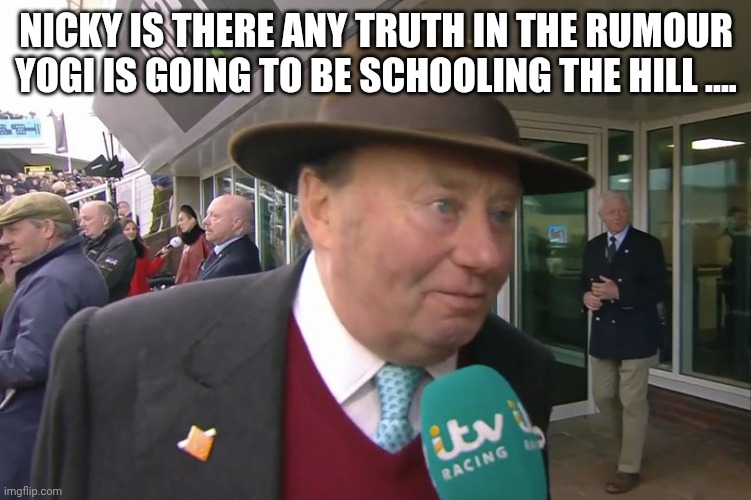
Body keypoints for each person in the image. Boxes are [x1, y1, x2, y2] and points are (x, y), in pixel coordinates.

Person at [31, 51, 594, 499]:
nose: (488, 255)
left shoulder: (519, 373)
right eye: (443, 205)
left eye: (502, 214)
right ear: (322, 208)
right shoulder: (120, 358)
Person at [0, 192, 108, 496]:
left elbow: (30, 362)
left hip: (31, 434)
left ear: (47, 228)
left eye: (13, 230)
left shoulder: (51, 281)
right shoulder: (71, 269)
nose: (5, 240)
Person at [581, 191, 667, 494]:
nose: (617, 215)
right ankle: (629, 444)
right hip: (604, 334)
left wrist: (620, 292)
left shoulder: (647, 245)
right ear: (601, 216)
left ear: (628, 212)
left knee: (632, 400)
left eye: (622, 210)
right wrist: (586, 297)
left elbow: (659, 288)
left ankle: (629, 467)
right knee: (603, 395)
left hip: (637, 333)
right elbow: (583, 282)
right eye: (611, 211)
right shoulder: (593, 247)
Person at [78, 200, 137, 303]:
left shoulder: (120, 245)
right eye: (80, 219)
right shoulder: (83, 241)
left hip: (107, 308)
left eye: (87, 219)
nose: (82, 224)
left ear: (105, 220)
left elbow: (99, 281)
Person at [199, 194, 262, 280]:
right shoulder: (230, 251)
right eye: (207, 215)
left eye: (215, 216)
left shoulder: (233, 265)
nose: (205, 221)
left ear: (236, 223)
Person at [122, 219, 169, 296]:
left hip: (142, 293)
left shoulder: (142, 249)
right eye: (127, 229)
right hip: (126, 296)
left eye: (134, 229)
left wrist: (160, 258)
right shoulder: (117, 251)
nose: (131, 232)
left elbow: (149, 272)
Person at [174, 204, 212, 284]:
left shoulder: (203, 238)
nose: (179, 224)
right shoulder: (187, 242)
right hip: (185, 286)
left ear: (192, 220)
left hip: (198, 285)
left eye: (181, 220)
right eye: (178, 220)